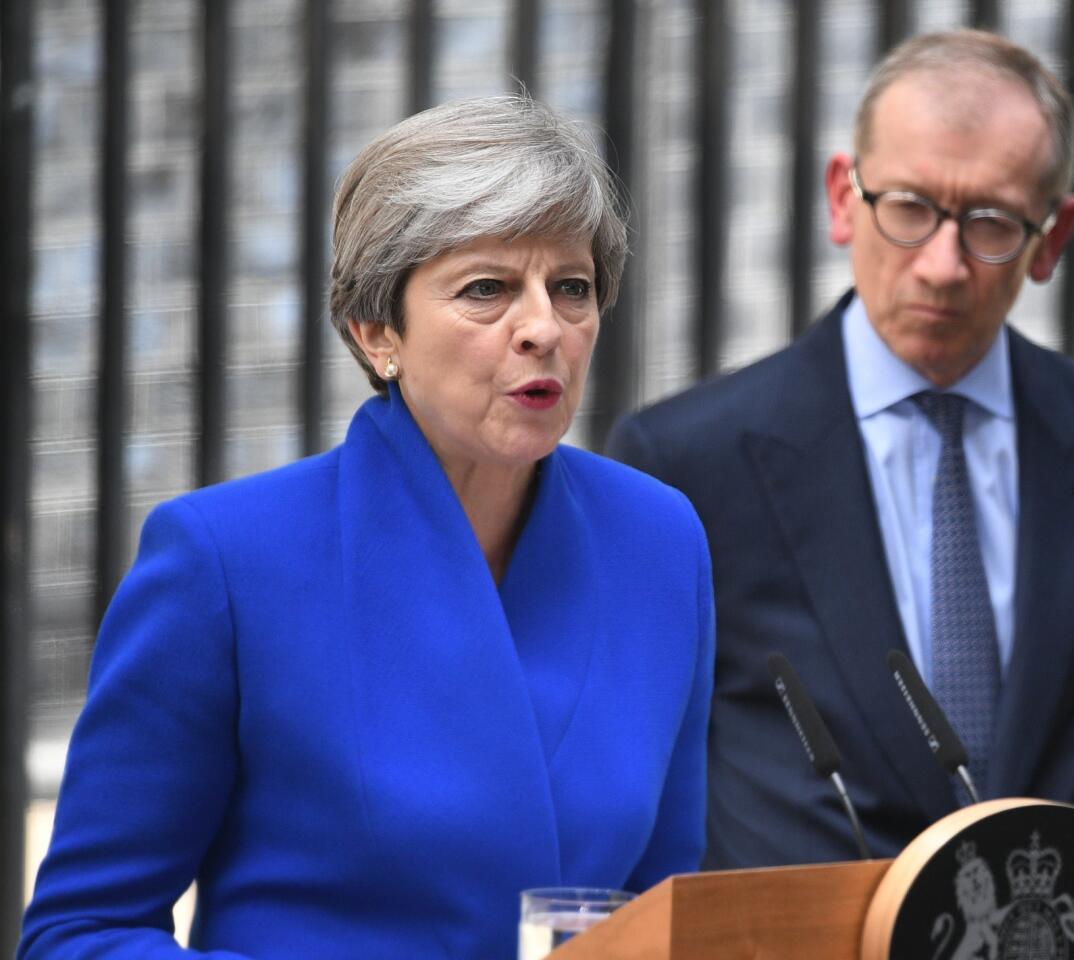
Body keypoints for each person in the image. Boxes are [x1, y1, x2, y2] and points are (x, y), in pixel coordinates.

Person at [21, 96, 714, 958]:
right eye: (487, 290)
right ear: (376, 330)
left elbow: (670, 910)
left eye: (570, 288)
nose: (543, 328)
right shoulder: (226, 561)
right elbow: (81, 934)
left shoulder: (659, 540)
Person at [607, 29, 1074, 869]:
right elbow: (635, 790)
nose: (943, 265)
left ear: (1054, 238)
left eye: (991, 222)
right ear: (845, 199)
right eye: (911, 209)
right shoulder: (685, 462)